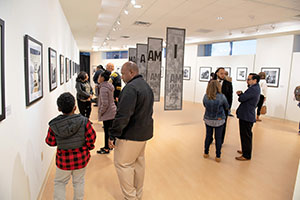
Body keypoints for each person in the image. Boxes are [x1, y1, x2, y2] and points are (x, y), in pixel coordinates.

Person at [108, 61, 154, 200]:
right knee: (138, 163)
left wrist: (113, 135)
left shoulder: (130, 89)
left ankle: (130, 197)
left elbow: (123, 115)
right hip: (144, 133)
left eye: (123, 73)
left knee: (123, 164)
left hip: (130, 135)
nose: (121, 76)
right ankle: (137, 195)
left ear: (131, 72)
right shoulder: (146, 86)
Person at [45, 92, 96, 200]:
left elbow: (50, 142)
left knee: (60, 182)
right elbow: (92, 138)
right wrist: (88, 147)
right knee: (79, 182)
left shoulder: (54, 125)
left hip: (63, 160)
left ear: (59, 109)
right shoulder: (84, 121)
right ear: (75, 107)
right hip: (81, 158)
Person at [235, 73, 261, 161]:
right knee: (245, 134)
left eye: (249, 79)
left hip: (246, 115)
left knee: (246, 135)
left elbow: (242, 99)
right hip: (247, 114)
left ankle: (246, 155)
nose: (247, 81)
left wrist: (240, 95)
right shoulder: (255, 88)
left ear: (255, 80)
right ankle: (245, 150)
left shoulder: (253, 89)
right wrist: (242, 94)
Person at [203, 80, 229, 162]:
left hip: (208, 119)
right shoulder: (222, 96)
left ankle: (206, 153)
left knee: (208, 136)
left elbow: (204, 105)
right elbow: (227, 106)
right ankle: (218, 156)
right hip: (219, 120)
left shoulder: (205, 96)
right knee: (218, 138)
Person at [96, 70, 117, 154]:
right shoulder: (109, 85)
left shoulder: (103, 88)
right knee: (109, 130)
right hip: (112, 111)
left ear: (102, 78)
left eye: (99, 76)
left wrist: (100, 112)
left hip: (108, 112)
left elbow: (105, 103)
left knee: (107, 131)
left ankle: (106, 148)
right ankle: (109, 146)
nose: (98, 78)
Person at [213, 68, 233, 144]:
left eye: (224, 73)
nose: (223, 75)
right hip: (213, 107)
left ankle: (220, 141)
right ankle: (211, 138)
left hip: (224, 108)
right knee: (211, 123)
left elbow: (230, 97)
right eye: (221, 73)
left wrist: (228, 108)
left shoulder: (228, 84)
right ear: (217, 73)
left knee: (223, 125)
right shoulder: (212, 82)